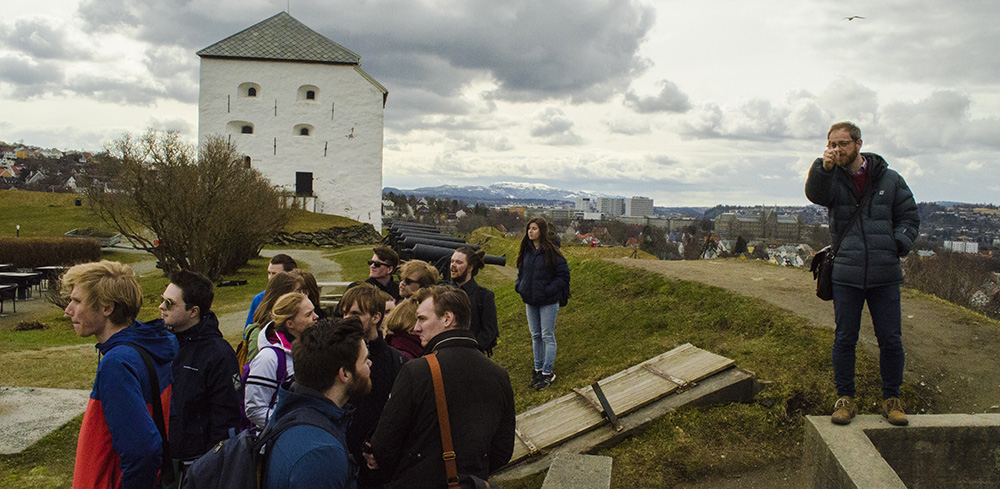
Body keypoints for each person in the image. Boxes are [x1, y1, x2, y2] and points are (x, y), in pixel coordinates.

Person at [805, 121, 920, 426]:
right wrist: (823, 167)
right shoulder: (832, 179)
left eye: (842, 144)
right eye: (832, 144)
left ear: (858, 144)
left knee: (891, 340)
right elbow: (815, 194)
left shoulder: (890, 179)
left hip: (885, 274)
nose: (836, 149)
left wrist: (898, 242)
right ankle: (845, 399)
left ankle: (892, 399)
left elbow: (909, 215)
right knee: (844, 339)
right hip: (846, 273)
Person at [368, 285, 515, 488]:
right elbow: (502, 450)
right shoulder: (499, 375)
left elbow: (383, 444)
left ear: (447, 318)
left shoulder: (417, 371)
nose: (415, 328)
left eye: (422, 319)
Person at [62, 261, 178, 489]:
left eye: (77, 301)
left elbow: (144, 450)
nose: (68, 310)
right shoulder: (151, 345)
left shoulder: (118, 363)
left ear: (107, 308)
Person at [265, 317, 372, 489]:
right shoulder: (321, 454)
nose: (370, 364)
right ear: (344, 374)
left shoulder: (291, 411)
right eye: (365, 359)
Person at [154, 270, 241, 478]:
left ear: (193, 311)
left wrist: (207, 469)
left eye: (169, 303)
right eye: (162, 299)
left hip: (194, 469)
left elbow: (226, 421)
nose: (161, 307)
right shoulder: (160, 343)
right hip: (158, 463)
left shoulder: (219, 355)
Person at [339, 283, 406, 488]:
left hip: (375, 465)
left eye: (355, 314)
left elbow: (400, 415)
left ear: (376, 317)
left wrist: (384, 450)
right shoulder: (337, 356)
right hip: (340, 452)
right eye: (344, 313)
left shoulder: (397, 362)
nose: (346, 320)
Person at [245, 292, 318, 429]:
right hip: (277, 439)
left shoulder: (311, 349)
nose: (316, 317)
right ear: (290, 324)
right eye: (308, 314)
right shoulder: (269, 358)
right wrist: (292, 425)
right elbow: (254, 409)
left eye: (314, 311)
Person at [515, 217, 570, 390]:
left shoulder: (552, 252)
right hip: (531, 300)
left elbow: (563, 276)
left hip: (547, 301)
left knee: (547, 335)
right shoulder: (527, 250)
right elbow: (521, 272)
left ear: (542, 231)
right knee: (535, 336)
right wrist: (520, 286)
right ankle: (538, 369)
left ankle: (547, 372)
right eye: (529, 228)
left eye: (534, 228)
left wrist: (549, 290)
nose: (530, 231)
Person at [243, 272, 305, 364]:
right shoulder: (261, 334)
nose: (303, 296)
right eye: (298, 291)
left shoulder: (292, 326)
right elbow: (254, 368)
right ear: (283, 295)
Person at [450, 246, 498, 356]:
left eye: (459, 262)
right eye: (452, 261)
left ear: (470, 268)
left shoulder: (484, 296)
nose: (453, 265)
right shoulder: (442, 292)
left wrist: (472, 349)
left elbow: (489, 330)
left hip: (473, 354)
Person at [246, 254, 298, 326]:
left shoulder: (298, 299)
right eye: (269, 273)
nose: (270, 278)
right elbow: (248, 330)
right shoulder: (259, 299)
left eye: (274, 274)